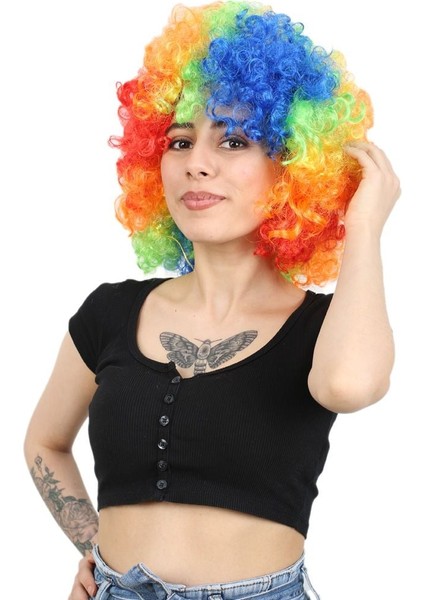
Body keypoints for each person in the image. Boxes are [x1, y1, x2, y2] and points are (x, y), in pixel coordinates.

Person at [24, 1, 400, 599]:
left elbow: (349, 386)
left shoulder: (324, 330)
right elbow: (44, 443)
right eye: (179, 141)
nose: (196, 164)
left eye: (234, 141)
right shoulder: (109, 313)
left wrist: (365, 226)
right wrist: (92, 548)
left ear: (293, 166)